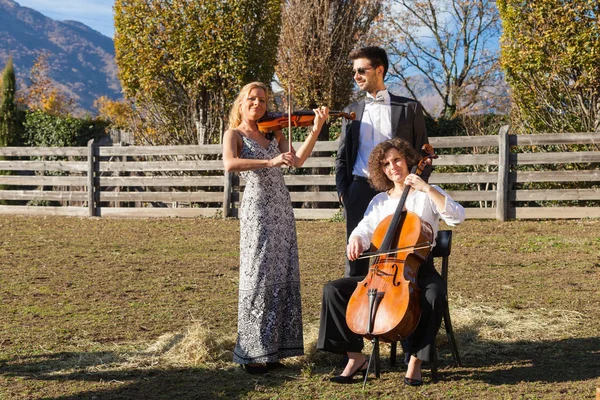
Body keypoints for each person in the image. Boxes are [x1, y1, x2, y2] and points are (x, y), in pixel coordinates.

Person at [318, 137, 465, 385]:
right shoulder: (380, 201)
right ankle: (354, 357)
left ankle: (416, 360)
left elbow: (457, 217)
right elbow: (364, 228)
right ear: (381, 170)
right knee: (333, 290)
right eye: (386, 163)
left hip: (420, 269)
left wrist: (426, 188)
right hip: (383, 271)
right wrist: (355, 239)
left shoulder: (427, 193)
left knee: (433, 294)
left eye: (397, 159)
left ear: (408, 159)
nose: (393, 166)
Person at [222, 82, 329, 374]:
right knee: (258, 275)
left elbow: (298, 160)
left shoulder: (275, 131)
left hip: (282, 208)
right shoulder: (234, 134)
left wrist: (315, 129)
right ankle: (252, 354)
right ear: (241, 104)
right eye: (252, 99)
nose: (258, 104)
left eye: (263, 100)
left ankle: (274, 350)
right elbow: (230, 164)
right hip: (257, 209)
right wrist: (270, 161)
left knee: (282, 273)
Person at [336, 46, 430, 278]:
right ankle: (355, 309)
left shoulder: (410, 108)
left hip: (399, 188)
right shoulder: (350, 112)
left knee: (403, 247)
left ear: (379, 70)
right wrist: (343, 192)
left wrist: (416, 188)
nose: (356, 76)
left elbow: (423, 154)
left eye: (361, 70)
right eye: (354, 71)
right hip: (358, 188)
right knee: (356, 253)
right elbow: (341, 157)